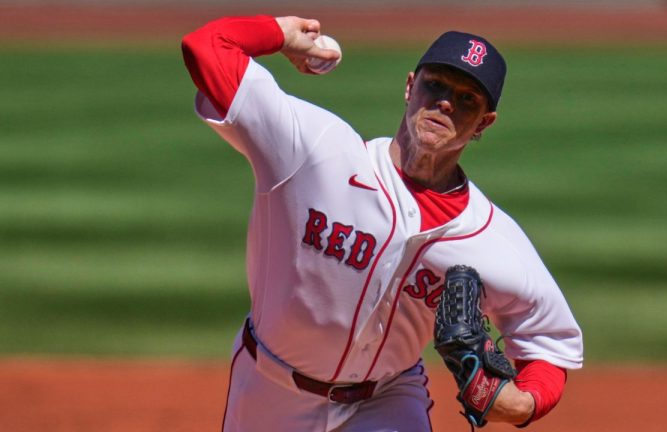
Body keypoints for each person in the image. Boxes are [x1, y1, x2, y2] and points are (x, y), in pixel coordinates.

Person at [181, 14, 583, 431]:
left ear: (484, 123)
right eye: (436, 84)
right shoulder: (314, 151)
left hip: (387, 400)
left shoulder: (494, 240)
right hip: (269, 390)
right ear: (410, 86)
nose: (445, 102)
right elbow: (207, 46)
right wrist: (282, 34)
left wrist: (520, 405)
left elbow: (550, 345)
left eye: (467, 99)